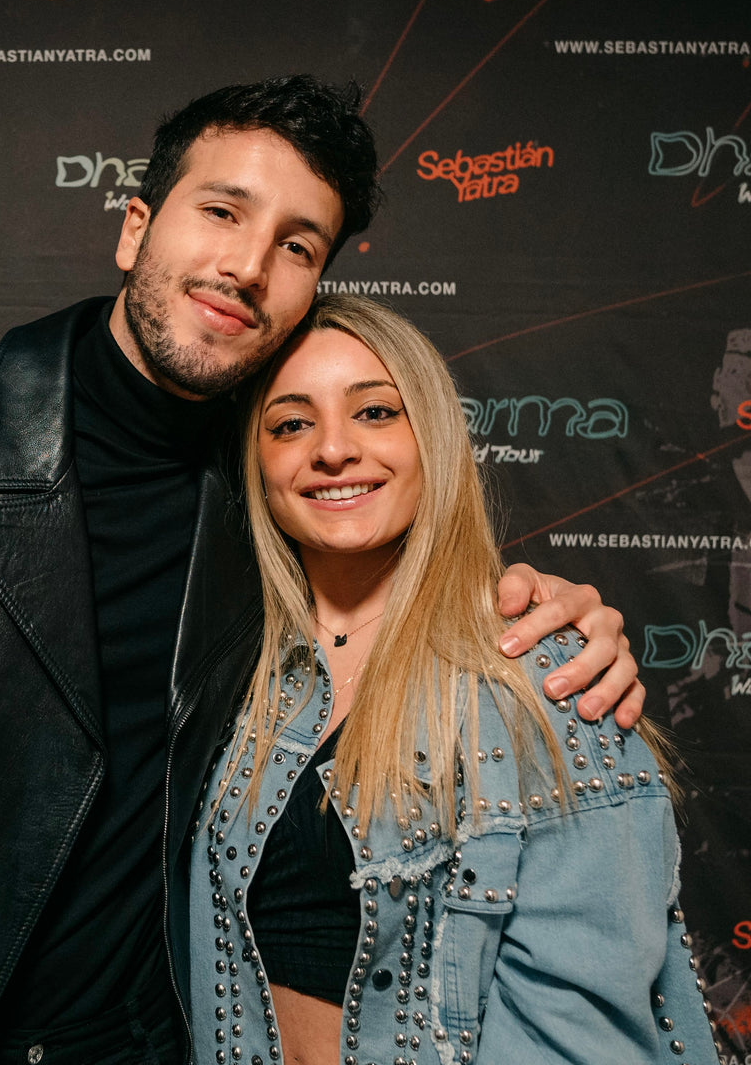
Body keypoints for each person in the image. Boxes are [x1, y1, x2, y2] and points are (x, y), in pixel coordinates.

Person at [0, 77, 641, 1065]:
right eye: (222, 210)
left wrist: (548, 617)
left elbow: (401, 589)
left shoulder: (276, 497)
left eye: (298, 245)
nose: (247, 264)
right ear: (137, 228)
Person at [189, 294, 719, 1065]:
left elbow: (582, 1035)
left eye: (374, 413)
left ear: (431, 437)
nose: (333, 450)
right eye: (292, 423)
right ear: (256, 460)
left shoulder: (550, 675)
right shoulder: (233, 672)